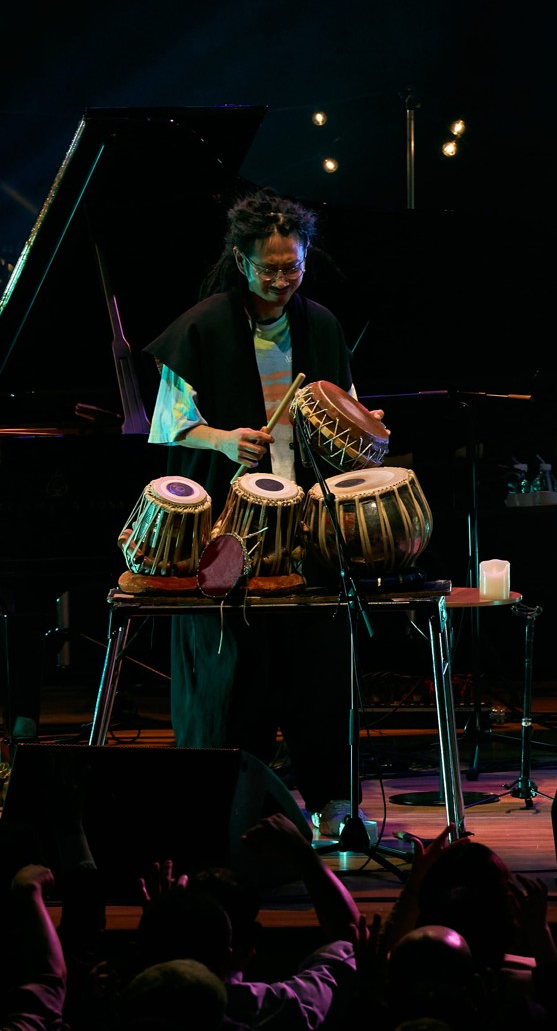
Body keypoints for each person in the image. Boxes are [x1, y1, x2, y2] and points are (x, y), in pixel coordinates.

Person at [142, 191, 373, 836]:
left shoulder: (321, 325)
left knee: (319, 671)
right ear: (241, 261)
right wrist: (223, 439)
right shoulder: (201, 328)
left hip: (307, 523)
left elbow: (347, 409)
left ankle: (334, 802)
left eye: (291, 266)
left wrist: (368, 425)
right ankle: (226, 809)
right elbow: (170, 428)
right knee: (237, 676)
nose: (280, 279)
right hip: (231, 530)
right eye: (268, 268)